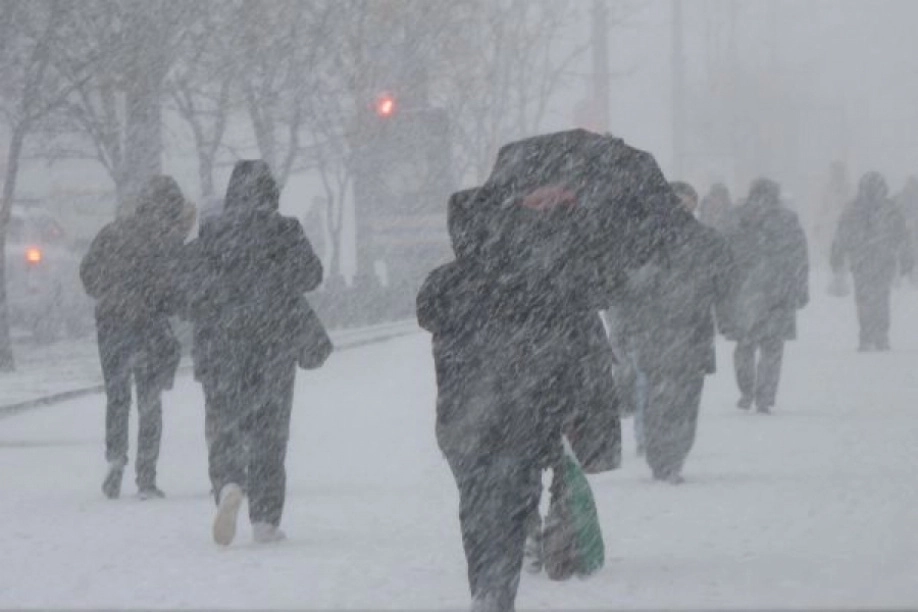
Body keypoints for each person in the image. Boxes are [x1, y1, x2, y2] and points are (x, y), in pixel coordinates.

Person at [417, 187, 613, 611]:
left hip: (460, 420)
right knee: (511, 509)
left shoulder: (443, 283)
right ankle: (498, 592)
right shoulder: (535, 279)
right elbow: (572, 337)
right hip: (523, 418)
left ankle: (485, 590)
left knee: (475, 507)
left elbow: (427, 313)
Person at [183, 160, 323, 546]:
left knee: (224, 425)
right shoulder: (285, 230)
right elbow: (312, 275)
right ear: (271, 193)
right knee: (269, 431)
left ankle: (228, 484)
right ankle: (265, 519)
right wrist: (274, 278)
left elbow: (188, 290)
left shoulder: (212, 233)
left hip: (220, 347)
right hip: (272, 345)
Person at [80, 175, 192, 500]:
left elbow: (87, 273)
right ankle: (146, 478)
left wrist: (110, 293)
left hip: (111, 325)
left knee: (117, 398)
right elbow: (175, 289)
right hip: (149, 328)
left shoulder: (112, 231)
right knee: (149, 402)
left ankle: (115, 461)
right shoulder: (166, 241)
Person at [613, 181, 733, 482]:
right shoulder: (698, 240)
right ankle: (665, 456)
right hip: (671, 329)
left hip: (678, 329)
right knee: (668, 395)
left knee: (678, 396)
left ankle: (670, 455)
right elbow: (625, 287)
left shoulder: (701, 240)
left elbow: (724, 284)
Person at [724, 178, 809, 413]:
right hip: (778, 291)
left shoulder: (735, 217)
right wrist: (800, 289)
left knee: (744, 345)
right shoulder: (787, 220)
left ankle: (746, 390)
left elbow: (723, 254)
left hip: (743, 291)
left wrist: (721, 287)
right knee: (773, 347)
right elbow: (799, 257)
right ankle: (765, 395)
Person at [831, 172, 913, 351]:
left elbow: (841, 236)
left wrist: (837, 258)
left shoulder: (853, 209)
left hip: (861, 261)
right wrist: (907, 259)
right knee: (882, 297)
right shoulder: (890, 209)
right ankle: (881, 335)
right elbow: (902, 237)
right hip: (884, 260)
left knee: (863, 298)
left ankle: (866, 335)